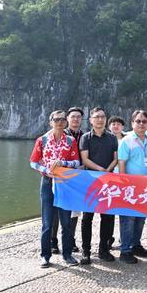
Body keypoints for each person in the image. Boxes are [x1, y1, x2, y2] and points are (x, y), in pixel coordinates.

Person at [29, 110, 81, 267]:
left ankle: (67, 254)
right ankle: (45, 255)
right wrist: (46, 170)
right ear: (51, 122)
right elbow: (33, 162)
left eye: (62, 120)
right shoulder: (42, 140)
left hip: (65, 184)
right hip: (47, 182)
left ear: (65, 123)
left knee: (66, 221)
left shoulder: (71, 141)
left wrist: (63, 164)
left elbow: (76, 162)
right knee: (47, 222)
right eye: (56, 119)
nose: (59, 122)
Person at [116, 109, 147, 264]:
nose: (141, 124)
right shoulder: (126, 141)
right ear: (132, 123)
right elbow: (122, 164)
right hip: (130, 188)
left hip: (145, 187)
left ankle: (136, 245)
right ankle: (125, 250)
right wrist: (124, 185)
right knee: (128, 218)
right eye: (137, 121)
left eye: (144, 121)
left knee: (140, 218)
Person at [79, 107, 119, 264]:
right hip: (90, 182)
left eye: (102, 117)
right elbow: (85, 159)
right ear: (91, 120)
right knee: (87, 218)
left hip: (107, 182)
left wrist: (107, 170)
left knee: (107, 217)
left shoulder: (112, 138)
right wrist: (100, 170)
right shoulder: (85, 138)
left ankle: (103, 249)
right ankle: (86, 251)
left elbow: (115, 158)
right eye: (96, 117)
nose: (100, 120)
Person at [53, 106, 84, 254]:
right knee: (57, 209)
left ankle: (70, 240)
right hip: (60, 178)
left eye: (78, 117)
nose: (76, 119)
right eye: (73, 117)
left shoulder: (84, 136)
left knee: (75, 211)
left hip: (77, 178)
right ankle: (53, 241)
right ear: (67, 120)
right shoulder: (60, 134)